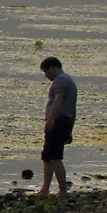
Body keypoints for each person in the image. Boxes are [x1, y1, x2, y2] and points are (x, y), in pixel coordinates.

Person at [37, 56, 77, 195]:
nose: (46, 76)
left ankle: (62, 190)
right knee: (47, 157)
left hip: (58, 121)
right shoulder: (69, 81)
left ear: (53, 67)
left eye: (46, 72)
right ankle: (45, 188)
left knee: (54, 157)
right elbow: (72, 108)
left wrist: (51, 119)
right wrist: (70, 129)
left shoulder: (60, 80)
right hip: (64, 121)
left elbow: (58, 99)